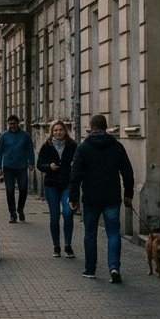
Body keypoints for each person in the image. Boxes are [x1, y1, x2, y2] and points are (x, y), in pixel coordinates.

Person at [69, 113, 135, 284]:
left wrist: (73, 197)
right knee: (113, 232)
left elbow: (75, 175)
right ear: (106, 128)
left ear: (90, 128)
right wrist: (128, 194)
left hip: (91, 198)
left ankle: (90, 269)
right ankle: (114, 268)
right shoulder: (117, 146)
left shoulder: (83, 148)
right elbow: (128, 173)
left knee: (90, 233)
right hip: (112, 197)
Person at [36, 119, 77, 258]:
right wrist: (49, 166)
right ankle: (56, 246)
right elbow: (39, 164)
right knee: (54, 216)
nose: (58, 132)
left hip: (67, 185)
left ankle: (68, 245)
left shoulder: (72, 146)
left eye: (60, 130)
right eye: (55, 130)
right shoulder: (47, 146)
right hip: (52, 185)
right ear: (52, 132)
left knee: (67, 213)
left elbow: (77, 163)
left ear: (65, 131)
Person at [0, 114, 34, 223]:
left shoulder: (25, 135)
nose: (12, 126)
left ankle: (20, 209)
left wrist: (31, 163)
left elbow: (30, 150)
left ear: (18, 123)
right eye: (10, 124)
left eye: (14, 124)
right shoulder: (4, 136)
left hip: (22, 167)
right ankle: (12, 214)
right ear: (8, 124)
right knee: (10, 191)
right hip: (8, 168)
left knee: (24, 189)